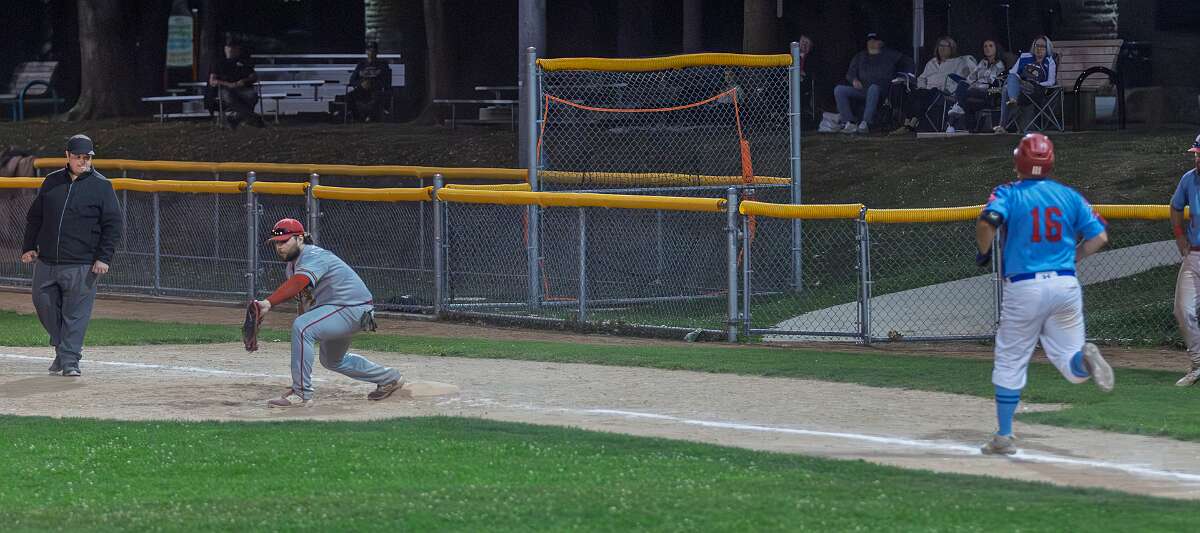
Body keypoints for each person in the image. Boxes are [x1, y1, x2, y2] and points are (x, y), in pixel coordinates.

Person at [975, 133, 1114, 455]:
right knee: (1072, 365)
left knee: (1010, 360)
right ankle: (1085, 360)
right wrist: (1073, 257)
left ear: (1018, 162)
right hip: (1065, 285)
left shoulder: (1008, 192)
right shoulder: (1069, 195)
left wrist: (983, 252)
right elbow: (1100, 237)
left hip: (1025, 286)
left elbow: (987, 222)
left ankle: (1004, 436)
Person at [255, 218, 404, 408]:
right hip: (342, 310)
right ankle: (390, 379)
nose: (279, 247)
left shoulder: (313, 255)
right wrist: (304, 325)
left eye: (284, 241)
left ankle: (301, 394)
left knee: (302, 328)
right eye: (276, 243)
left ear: (300, 238)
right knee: (332, 360)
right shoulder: (292, 267)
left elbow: (299, 283)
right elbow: (304, 301)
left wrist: (268, 303)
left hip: (351, 308)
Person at [21, 134, 122, 377]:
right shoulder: (52, 181)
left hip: (82, 264)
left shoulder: (102, 186)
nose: (83, 161)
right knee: (43, 304)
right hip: (47, 261)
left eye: (87, 157)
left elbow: (113, 225)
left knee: (76, 314)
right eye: (78, 157)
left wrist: (104, 257)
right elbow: (35, 217)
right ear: (67, 156)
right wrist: (28, 246)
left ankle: (69, 361)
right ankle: (63, 348)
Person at [831, 32, 912, 134]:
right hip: (863, 89)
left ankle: (866, 123)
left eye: (874, 41)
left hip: (881, 90)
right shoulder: (860, 56)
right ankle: (849, 122)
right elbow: (850, 74)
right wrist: (854, 80)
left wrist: (903, 76)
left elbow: (908, 62)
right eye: (869, 41)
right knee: (839, 90)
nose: (871, 43)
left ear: (881, 43)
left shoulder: (889, 54)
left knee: (873, 88)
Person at [892, 36, 974, 134]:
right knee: (912, 93)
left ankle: (911, 124)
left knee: (927, 94)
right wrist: (921, 87)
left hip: (943, 91)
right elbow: (922, 78)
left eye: (945, 46)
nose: (942, 48)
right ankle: (907, 124)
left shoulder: (958, 62)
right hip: (926, 90)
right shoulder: (931, 62)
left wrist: (949, 89)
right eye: (940, 46)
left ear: (951, 48)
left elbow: (960, 80)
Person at [1169, 133, 1200, 386]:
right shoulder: (1189, 179)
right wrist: (1179, 235)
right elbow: (1175, 206)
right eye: (1197, 154)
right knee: (1182, 310)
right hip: (1195, 254)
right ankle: (1198, 363)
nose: (1197, 159)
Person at [996, 35, 1056, 134]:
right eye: (1037, 46)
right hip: (1019, 87)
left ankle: (1003, 124)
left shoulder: (1049, 61)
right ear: (1033, 46)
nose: (1039, 49)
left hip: (1034, 89)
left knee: (1006, 89)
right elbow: (1013, 72)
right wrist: (1019, 81)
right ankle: (1013, 99)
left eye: (1042, 46)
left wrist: (1038, 84)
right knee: (1010, 78)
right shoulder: (1025, 57)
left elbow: (1051, 81)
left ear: (1047, 48)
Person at [946, 39, 1007, 132]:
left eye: (991, 46)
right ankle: (970, 128)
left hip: (991, 91)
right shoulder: (983, 62)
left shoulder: (1000, 65)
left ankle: (955, 113)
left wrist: (975, 85)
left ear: (996, 49)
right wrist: (969, 84)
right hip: (975, 90)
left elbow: (992, 82)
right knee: (963, 88)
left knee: (966, 94)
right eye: (985, 46)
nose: (987, 48)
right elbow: (971, 77)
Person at [208, 35, 265, 129]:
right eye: (228, 47)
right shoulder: (218, 62)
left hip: (242, 87)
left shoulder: (244, 61)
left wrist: (244, 81)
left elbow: (253, 76)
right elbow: (212, 80)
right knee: (229, 98)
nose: (230, 49)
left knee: (252, 96)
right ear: (225, 48)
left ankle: (236, 118)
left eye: (233, 47)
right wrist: (229, 84)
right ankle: (253, 117)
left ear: (238, 49)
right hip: (225, 88)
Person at [346, 41, 393, 122]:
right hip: (362, 89)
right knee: (349, 96)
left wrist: (374, 84)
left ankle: (371, 117)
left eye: (373, 51)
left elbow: (386, 80)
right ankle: (357, 117)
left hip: (376, 89)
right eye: (369, 50)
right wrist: (361, 84)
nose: (371, 53)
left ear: (377, 52)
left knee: (378, 97)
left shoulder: (382, 64)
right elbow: (352, 80)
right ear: (366, 52)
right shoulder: (361, 64)